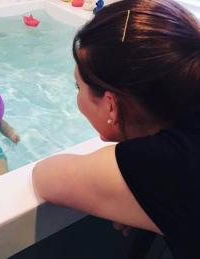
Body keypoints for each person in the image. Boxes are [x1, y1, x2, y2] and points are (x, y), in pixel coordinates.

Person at [32, 0, 200, 258]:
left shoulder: (162, 164)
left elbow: (45, 177)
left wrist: (129, 180)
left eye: (79, 87)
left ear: (111, 105)